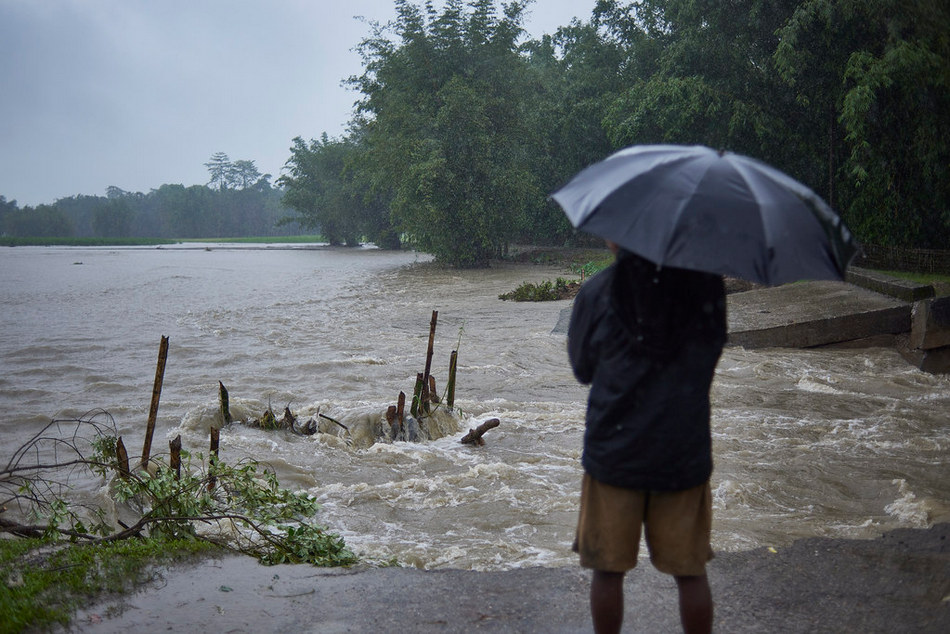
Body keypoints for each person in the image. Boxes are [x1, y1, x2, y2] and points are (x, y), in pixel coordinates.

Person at [567, 242, 727, 634]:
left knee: (607, 571)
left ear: (618, 237)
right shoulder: (706, 288)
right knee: (691, 573)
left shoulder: (599, 291)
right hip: (682, 453)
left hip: (614, 454)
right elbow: (711, 354)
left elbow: (583, 368)